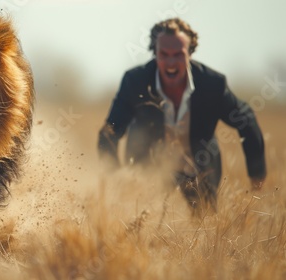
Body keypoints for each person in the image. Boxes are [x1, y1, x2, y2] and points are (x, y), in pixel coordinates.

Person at [98, 18, 266, 212]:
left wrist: (256, 173)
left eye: (178, 54)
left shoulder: (212, 84)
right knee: (141, 228)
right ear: (155, 53)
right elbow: (109, 131)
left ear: (191, 54)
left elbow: (246, 119)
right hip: (147, 167)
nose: (171, 62)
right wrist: (115, 176)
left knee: (205, 229)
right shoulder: (135, 82)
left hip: (200, 167)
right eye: (164, 54)